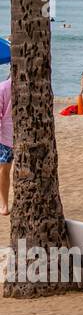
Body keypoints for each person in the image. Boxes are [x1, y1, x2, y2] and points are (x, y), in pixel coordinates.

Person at [0, 75, 11, 216]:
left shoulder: (3, 87)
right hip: (26, 136)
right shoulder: (31, 84)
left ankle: (4, 206)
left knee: (4, 171)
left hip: (5, 138)